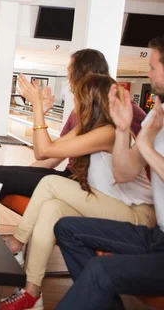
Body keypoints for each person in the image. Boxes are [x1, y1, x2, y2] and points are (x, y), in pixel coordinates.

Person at [0, 73, 155, 310]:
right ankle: (32, 293)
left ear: (90, 101)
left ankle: (16, 243)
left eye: (78, 97)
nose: (74, 103)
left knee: (51, 184)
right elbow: (44, 152)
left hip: (136, 216)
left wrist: (38, 106)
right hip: (113, 207)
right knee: (52, 208)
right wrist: (39, 109)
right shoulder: (89, 128)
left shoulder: (109, 132)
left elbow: (46, 149)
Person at [53, 36, 164, 310]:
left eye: (152, 66)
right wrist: (124, 130)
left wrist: (147, 147)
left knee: (101, 270)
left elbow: (147, 156)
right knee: (66, 228)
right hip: (156, 236)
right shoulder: (156, 116)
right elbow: (123, 173)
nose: (148, 73)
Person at [0, 49, 146, 201]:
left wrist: (38, 108)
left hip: (88, 186)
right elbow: (48, 156)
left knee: (1, 176)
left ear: (81, 74)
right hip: (75, 177)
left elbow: (45, 152)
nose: (67, 74)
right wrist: (19, 173)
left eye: (70, 69)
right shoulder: (81, 117)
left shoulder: (121, 118)